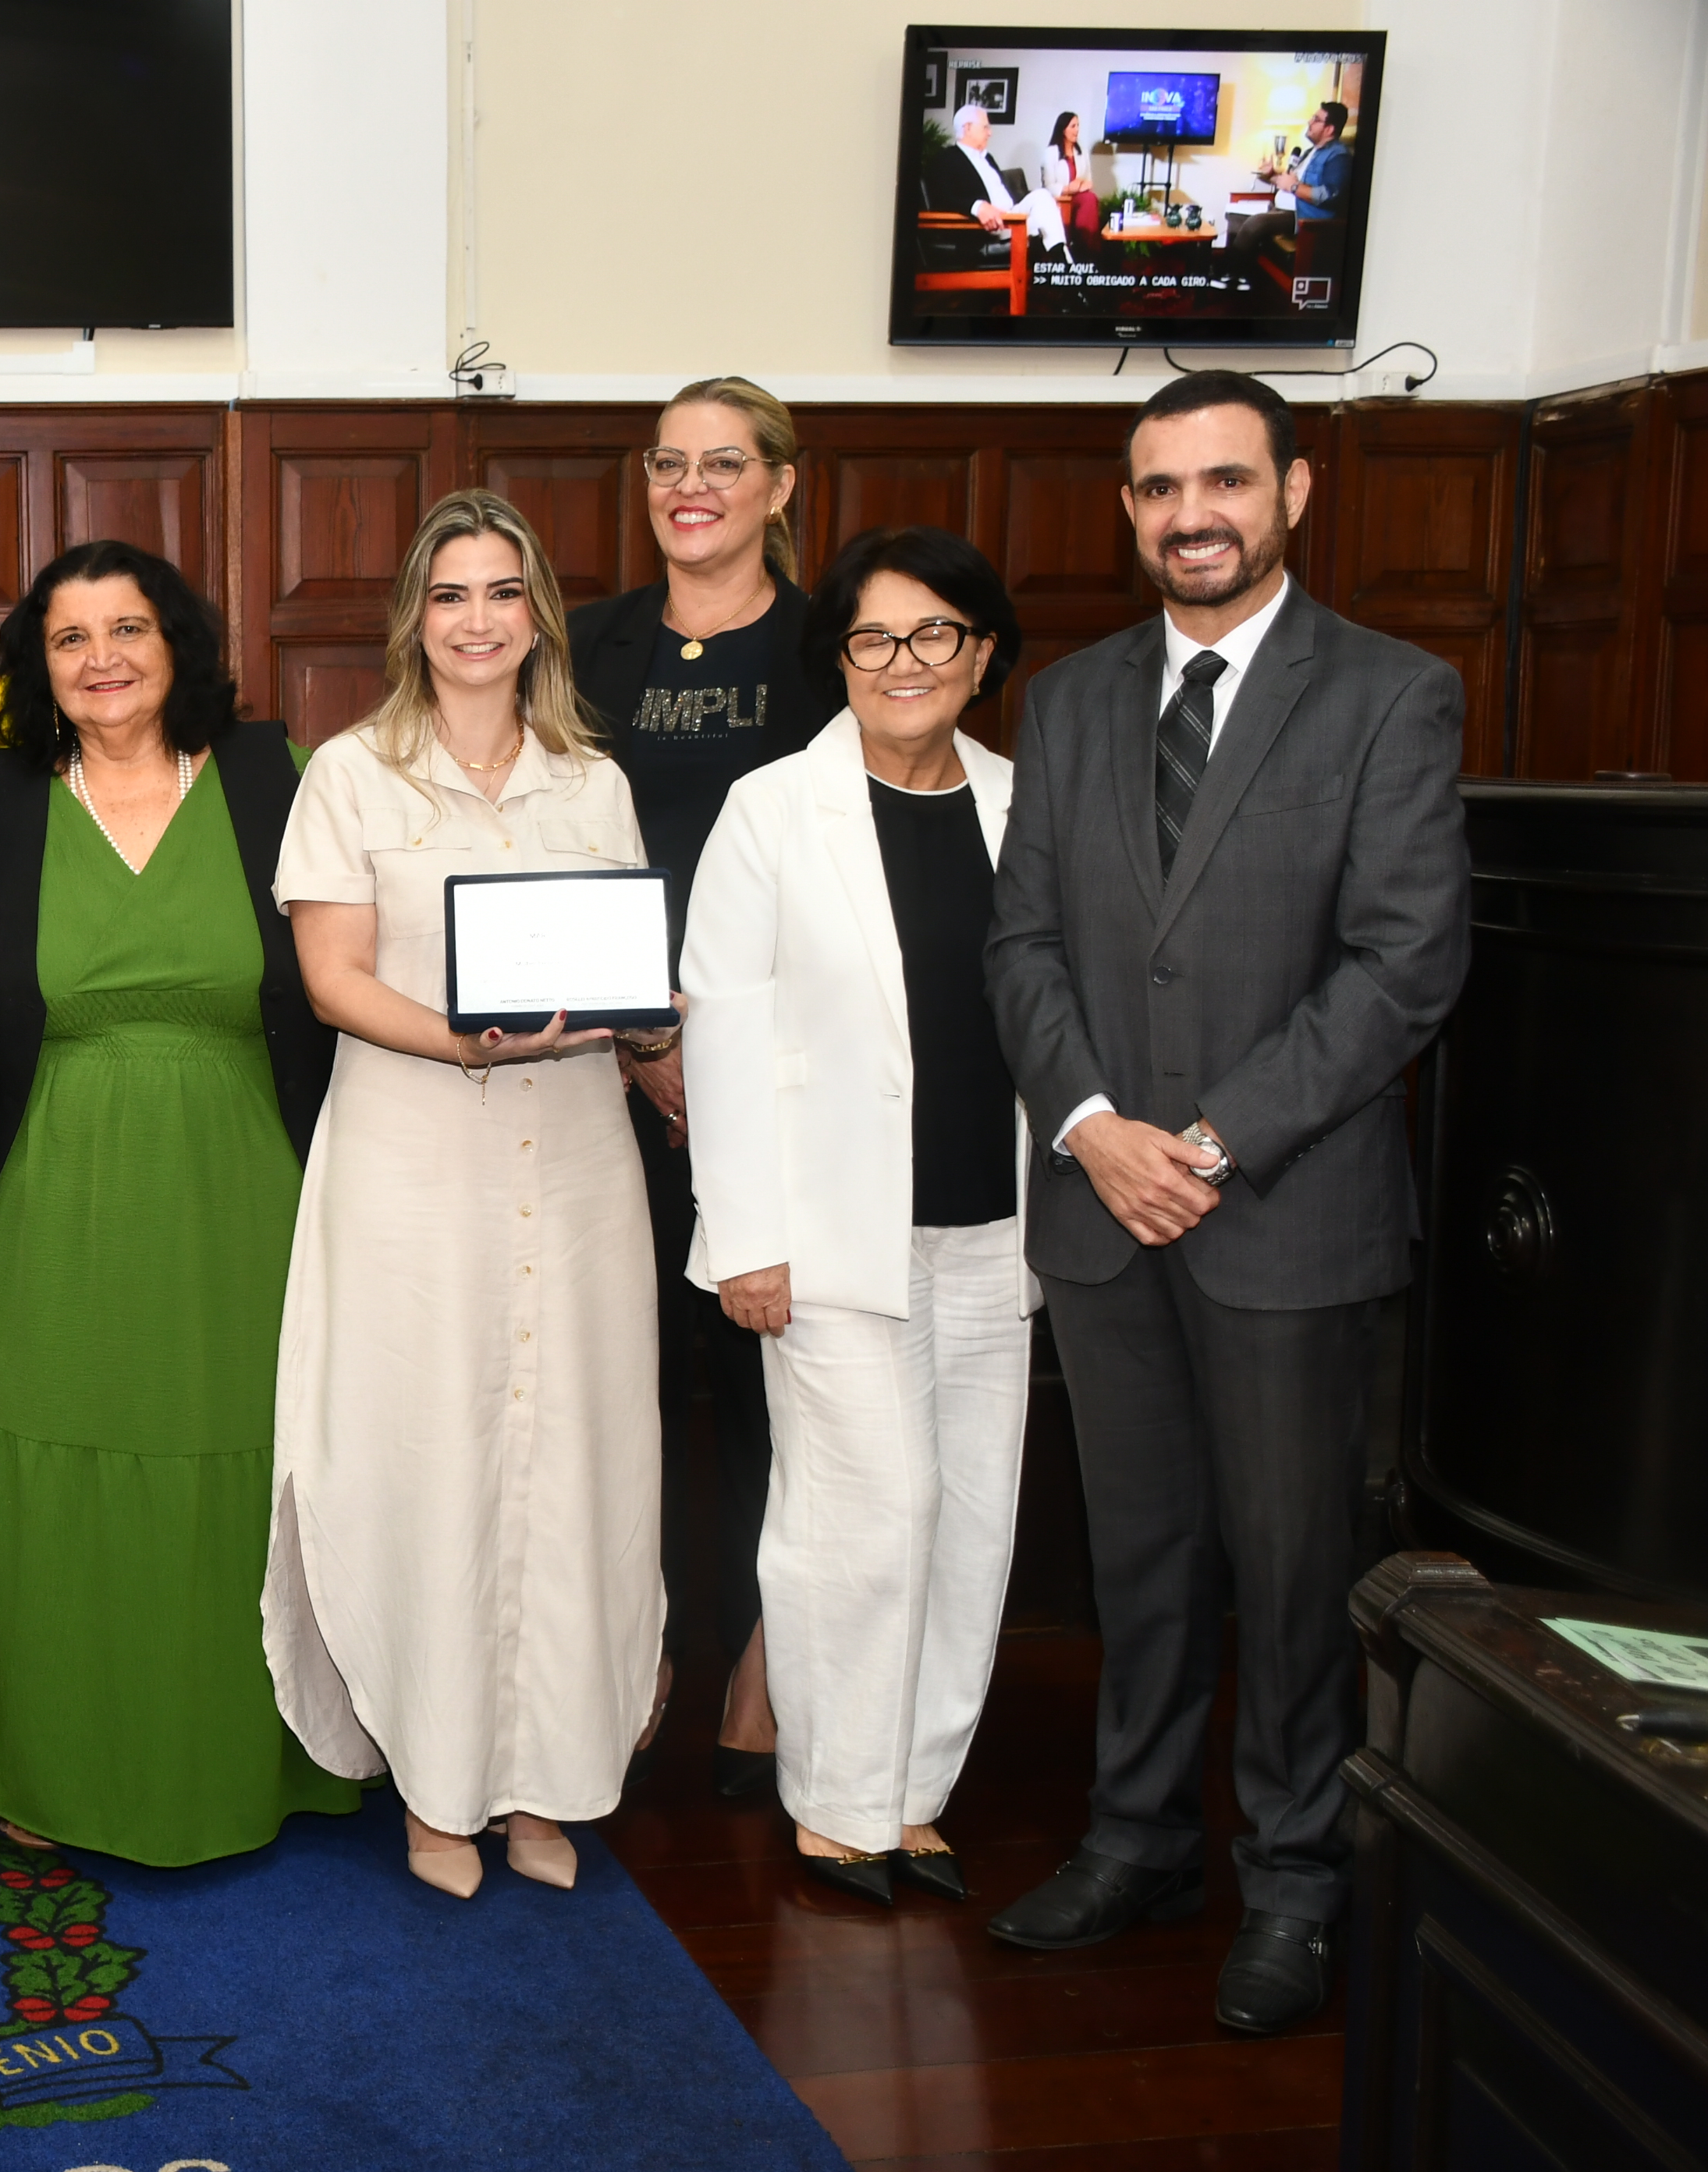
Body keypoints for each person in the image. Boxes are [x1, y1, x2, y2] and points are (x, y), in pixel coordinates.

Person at [981, 371, 1468, 2033]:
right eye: (1161, 486)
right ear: (1128, 508)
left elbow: (1407, 964)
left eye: (1226, 481)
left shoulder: (1393, 697)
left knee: (1289, 1565)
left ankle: (1296, 1882)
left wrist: (1211, 1141)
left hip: (1285, 1220)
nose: (1193, 512)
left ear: (1294, 493)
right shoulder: (1073, 699)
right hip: (1106, 1212)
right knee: (1142, 1562)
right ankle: (1139, 1844)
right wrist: (1100, 1128)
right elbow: (1022, 945)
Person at [269, 490, 672, 1898]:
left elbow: (619, 969)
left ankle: (544, 1774)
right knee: (426, 1455)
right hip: (410, 1155)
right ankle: (440, 1786)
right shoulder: (349, 772)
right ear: (414, 619)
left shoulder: (593, 782)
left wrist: (646, 1010)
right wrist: (461, 1041)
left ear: (538, 618)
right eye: (451, 594)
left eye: (505, 592)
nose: (479, 618)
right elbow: (332, 978)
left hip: (571, 1155)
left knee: (571, 1456)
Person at [0, 538, 363, 1865]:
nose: (102, 657)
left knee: (244, 1456)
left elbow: (364, 945)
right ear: (37, 666)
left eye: (128, 627)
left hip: (244, 1183)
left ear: (178, 644)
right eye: (70, 638)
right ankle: (46, 1761)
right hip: (44, 1190)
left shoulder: (268, 779)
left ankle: (260, 1753)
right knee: (44, 1453)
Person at [681, 525, 1038, 1908]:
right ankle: (835, 1800)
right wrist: (746, 1234)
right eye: (873, 638)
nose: (904, 663)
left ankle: (913, 1792)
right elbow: (718, 1025)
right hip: (827, 1240)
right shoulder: (772, 808)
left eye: (934, 634)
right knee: (858, 1517)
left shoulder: (1027, 801)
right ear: (839, 658)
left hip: (995, 1227)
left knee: (969, 1518)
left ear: (982, 651)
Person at [568, 375, 822, 1798]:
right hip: (601, 1067)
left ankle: (770, 1654)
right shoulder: (590, 643)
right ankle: (635, 1643)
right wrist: (642, 1038)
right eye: (670, 462)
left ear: (780, 484)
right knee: (622, 1381)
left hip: (783, 1074)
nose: (693, 486)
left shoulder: (825, 644)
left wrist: (711, 1046)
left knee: (772, 1381)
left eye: (726, 462)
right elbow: (546, 839)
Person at [927, 101, 1067, 255]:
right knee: (1047, 219)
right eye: (985, 127)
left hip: (1012, 216)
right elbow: (942, 198)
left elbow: (1005, 194)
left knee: (1043, 197)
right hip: (989, 226)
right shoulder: (946, 158)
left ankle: (1060, 261)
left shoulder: (988, 158)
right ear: (968, 128)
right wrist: (977, 206)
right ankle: (1062, 266)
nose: (990, 133)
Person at [1229, 102, 1355, 254]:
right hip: (1284, 209)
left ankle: (1231, 272)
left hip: (1303, 217)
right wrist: (1271, 175)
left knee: (1256, 224)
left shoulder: (1338, 156)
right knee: (1236, 216)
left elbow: (1330, 195)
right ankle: (1241, 274)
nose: (1310, 122)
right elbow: (1287, 183)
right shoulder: (1310, 152)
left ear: (1329, 129)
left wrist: (1293, 187)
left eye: (1316, 119)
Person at [1039, 111, 1103, 258]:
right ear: (1063, 129)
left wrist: (1080, 186)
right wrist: (1068, 189)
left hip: (1079, 198)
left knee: (1090, 198)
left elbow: (1088, 180)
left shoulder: (1082, 152)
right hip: (1060, 200)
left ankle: (1087, 249)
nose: (1077, 130)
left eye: (1078, 126)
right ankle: (1084, 250)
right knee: (1089, 200)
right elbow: (1048, 187)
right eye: (1073, 126)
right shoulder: (1051, 153)